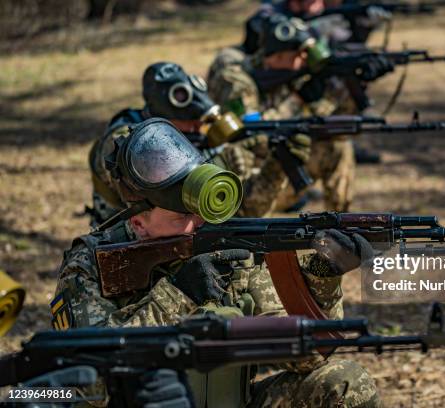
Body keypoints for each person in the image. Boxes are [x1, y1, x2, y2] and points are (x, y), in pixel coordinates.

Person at [54, 118, 380, 407]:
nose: (200, 223)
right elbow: (87, 383)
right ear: (138, 223)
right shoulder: (90, 264)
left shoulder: (224, 249)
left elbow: (308, 358)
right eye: (183, 215)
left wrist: (323, 275)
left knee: (344, 382)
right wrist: (178, 295)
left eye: (202, 211)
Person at [87, 61, 311, 227]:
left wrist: (271, 162)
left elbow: (246, 209)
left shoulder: (196, 138)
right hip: (128, 236)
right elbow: (160, 189)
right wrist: (219, 162)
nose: (198, 131)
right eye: (190, 126)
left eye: (200, 125)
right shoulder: (122, 141)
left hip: (186, 229)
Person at [207, 14, 387, 211]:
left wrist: (352, 87)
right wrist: (298, 100)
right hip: (244, 184)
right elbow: (251, 132)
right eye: (299, 54)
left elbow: (337, 125)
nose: (305, 60)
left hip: (281, 175)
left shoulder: (296, 76)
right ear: (277, 56)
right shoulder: (236, 79)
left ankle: (341, 224)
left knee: (339, 147)